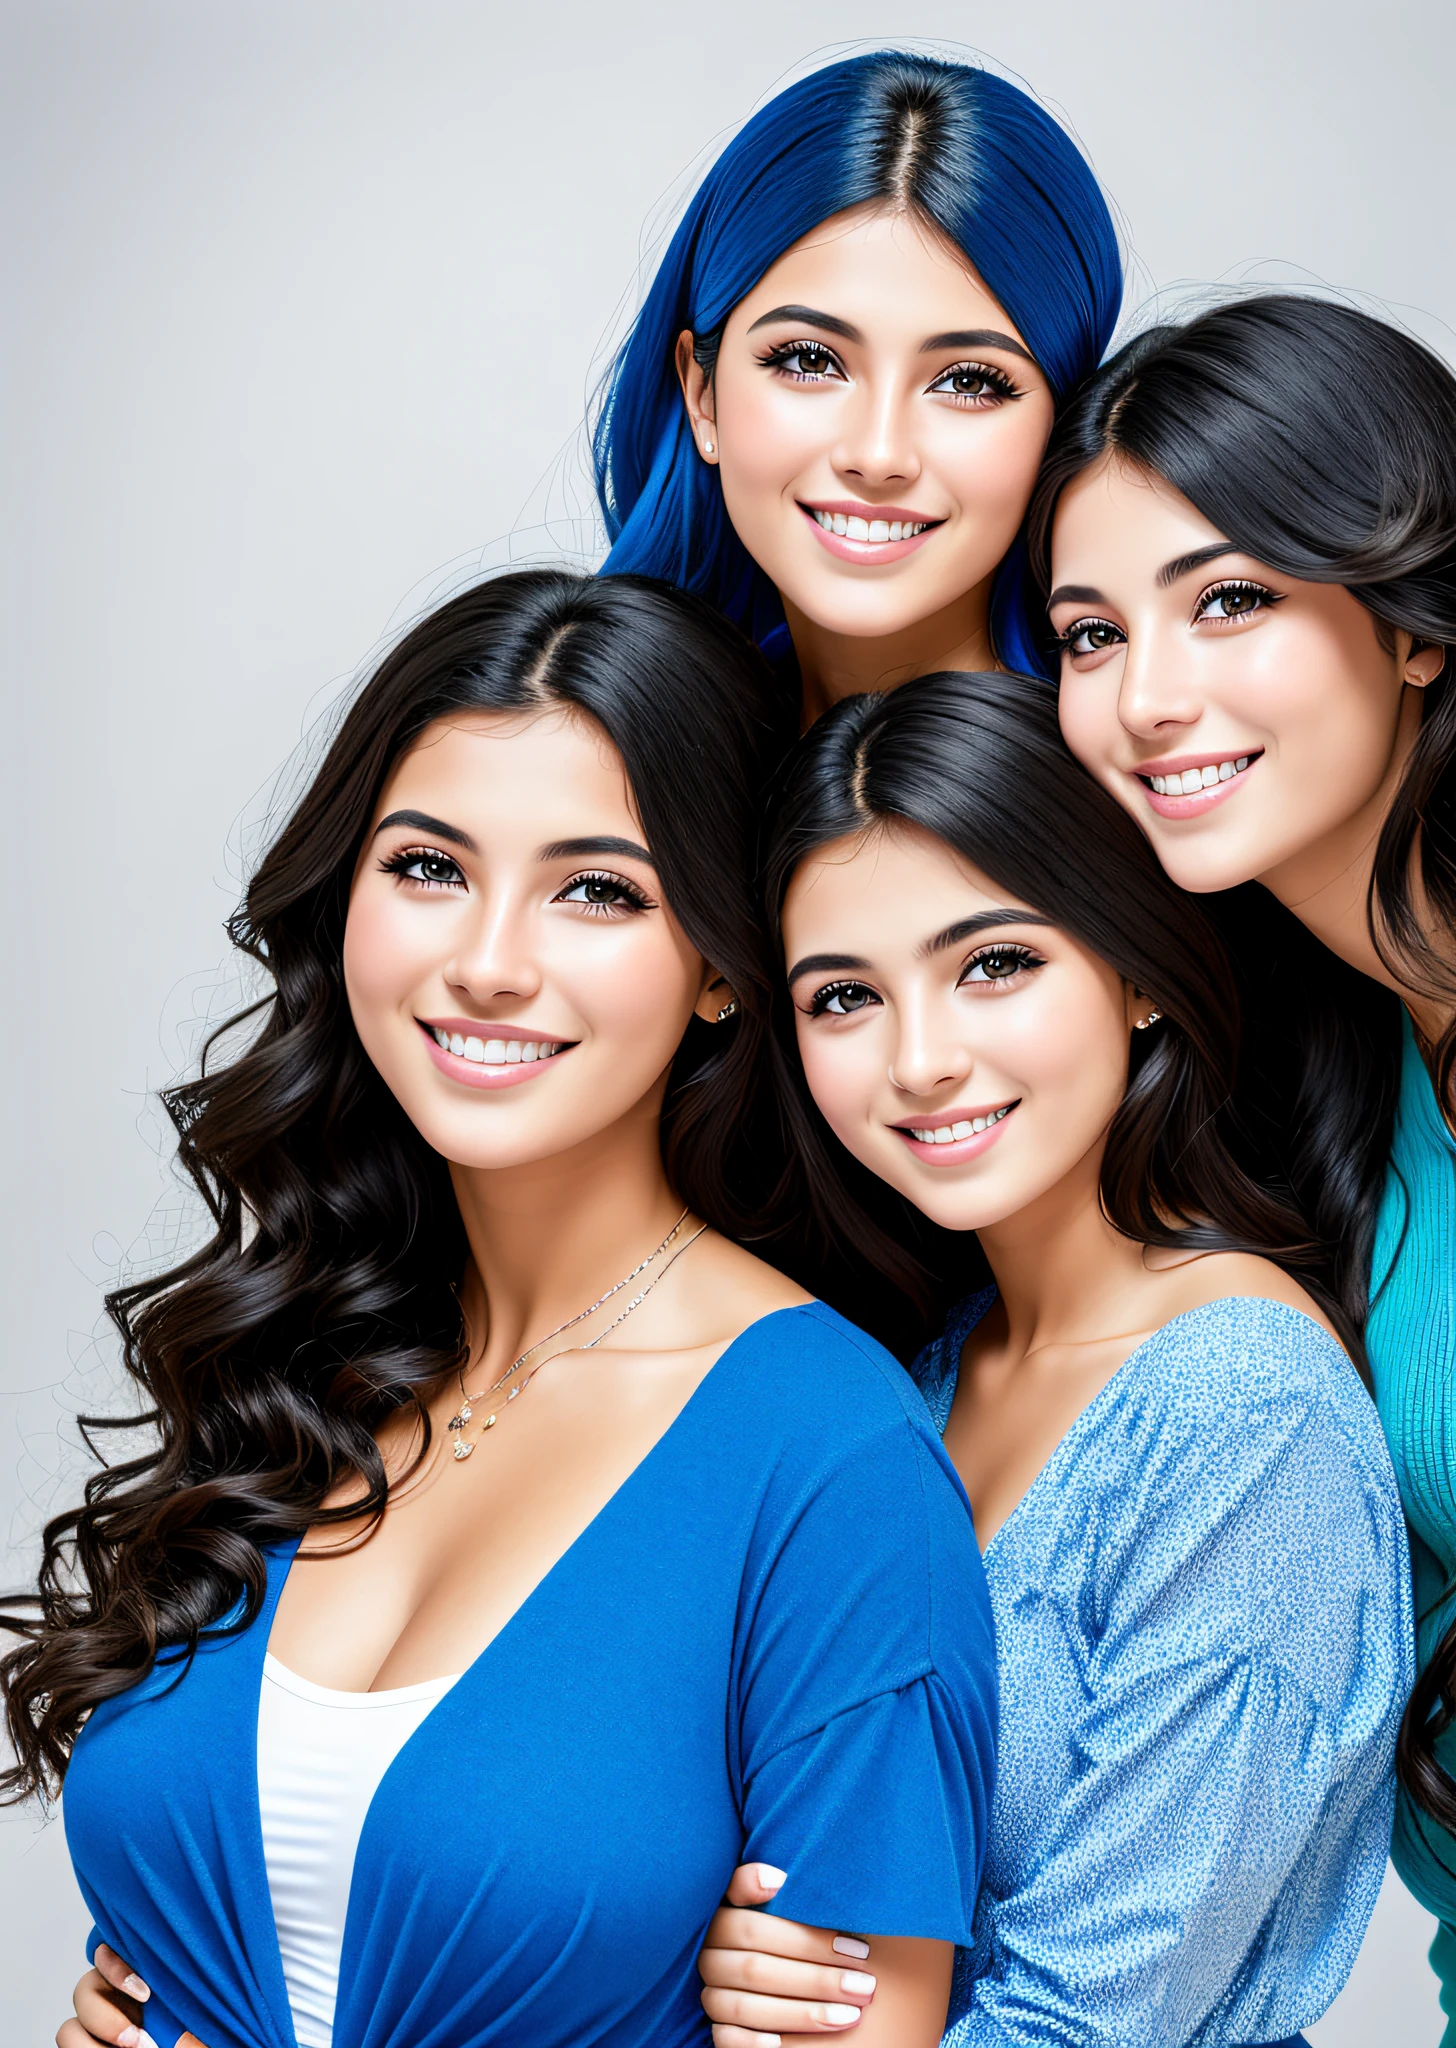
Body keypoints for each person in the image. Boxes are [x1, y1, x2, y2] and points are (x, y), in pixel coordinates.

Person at [4, 572, 997, 2048]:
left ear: (723, 963)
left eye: (598, 889)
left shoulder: (830, 1460)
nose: (487, 961)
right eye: (427, 867)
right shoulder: (308, 1357)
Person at [694, 671, 1411, 2048]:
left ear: (1137, 969)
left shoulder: (1240, 1409)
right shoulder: (923, 1375)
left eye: (994, 964)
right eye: (843, 996)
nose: (920, 1060)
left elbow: (1087, 2023)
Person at [1028, 294, 1456, 2039]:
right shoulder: (1338, 1072)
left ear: (1413, 624)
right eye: (1085, 631)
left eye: (1229, 600)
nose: (1147, 697)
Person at [593, 48, 1122, 718]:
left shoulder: (1139, 798)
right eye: (811, 361)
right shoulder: (611, 763)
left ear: (1065, 419)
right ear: (703, 398)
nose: (877, 457)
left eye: (969, 380)